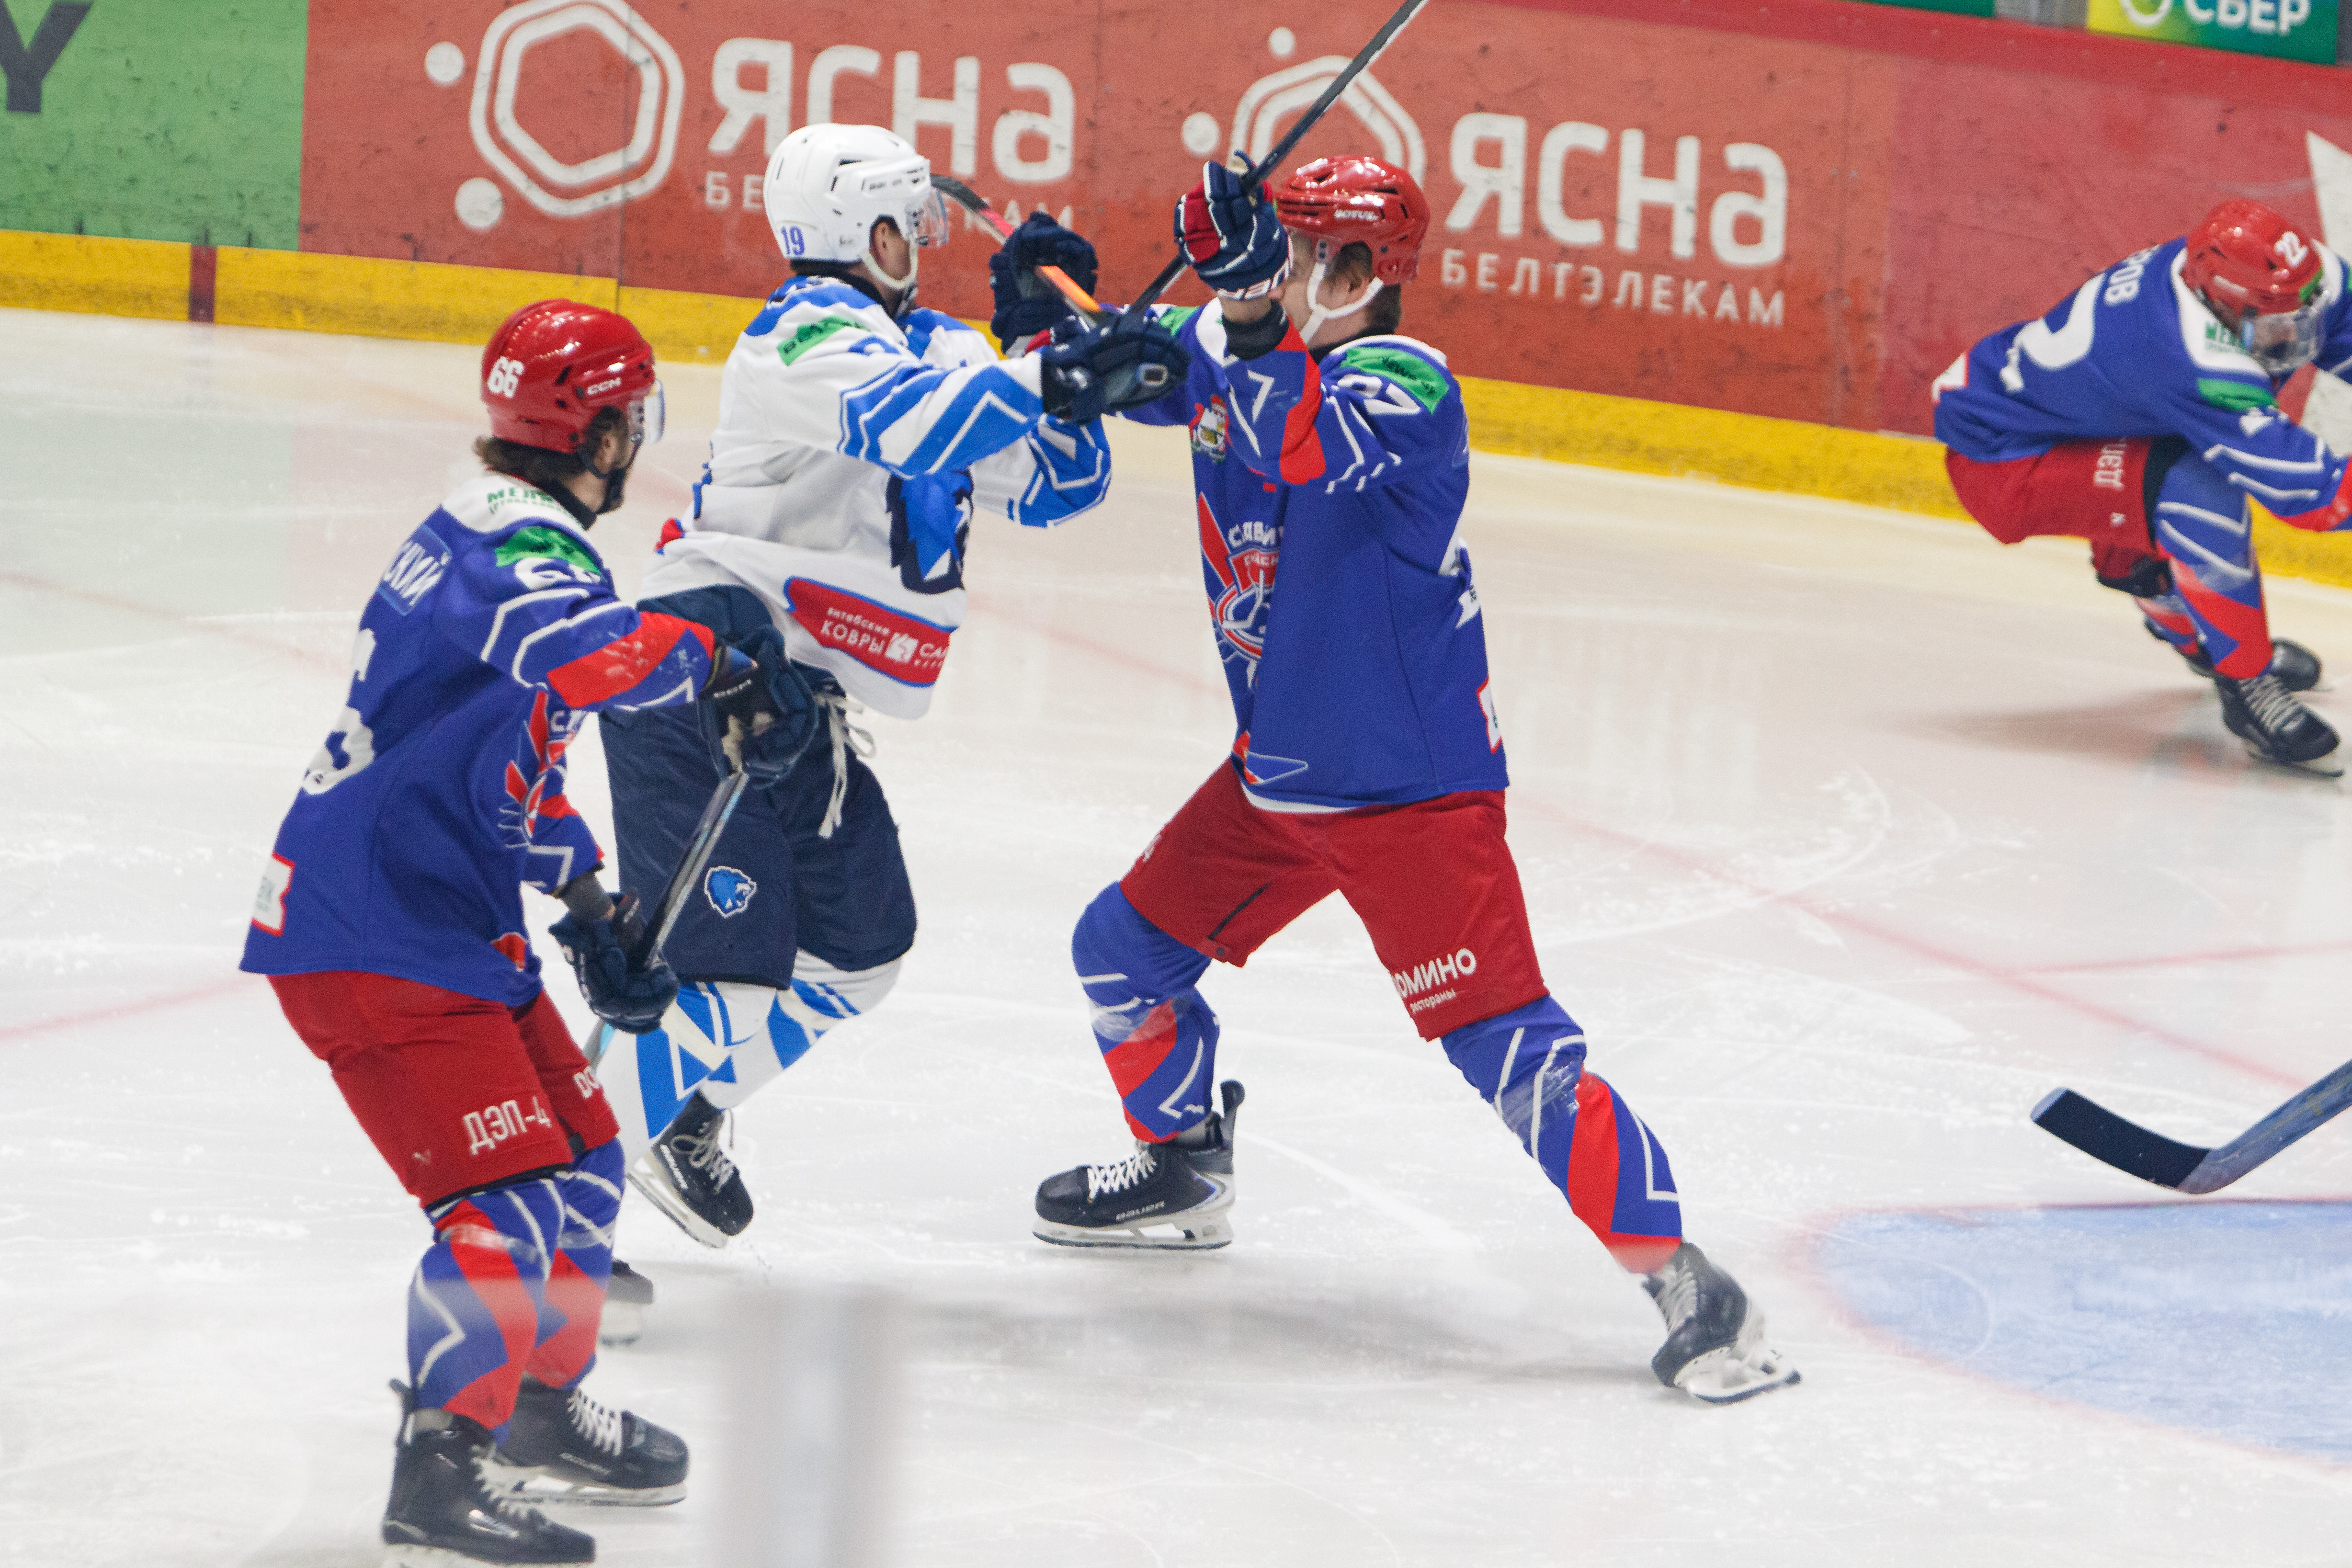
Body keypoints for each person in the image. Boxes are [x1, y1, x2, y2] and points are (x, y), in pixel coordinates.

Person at [1022, 154, 1799, 1406]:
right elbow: (1138, 362)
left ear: (1360, 272)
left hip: (1407, 792)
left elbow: (1292, 435)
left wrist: (1235, 306)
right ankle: (1183, 1166)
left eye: (1303, 252)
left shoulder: (1404, 384)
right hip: (1278, 776)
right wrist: (1051, 311)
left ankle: (1692, 1285)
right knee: (1119, 953)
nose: (1285, 269)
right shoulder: (1243, 344)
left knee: (1506, 1050)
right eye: (1276, 248)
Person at [240, 300, 806, 1563]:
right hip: (373, 930)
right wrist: (716, 658)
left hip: (440, 919)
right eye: (630, 419)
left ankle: (537, 1410)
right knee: (502, 1204)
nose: (636, 441)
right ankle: (439, 1469)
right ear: (594, 432)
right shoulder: (513, 543)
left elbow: (511, 770)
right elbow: (589, 653)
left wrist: (591, 905)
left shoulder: (503, 532)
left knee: (586, 1158)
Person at [594, 122, 1186, 1245]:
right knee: (722, 979)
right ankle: (543, 1218)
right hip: (707, 673)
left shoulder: (946, 351)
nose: (918, 237)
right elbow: (912, 425)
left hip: (798, 702)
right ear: (861, 229)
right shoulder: (801, 336)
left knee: (859, 952)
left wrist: (1047, 335)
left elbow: (1060, 483)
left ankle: (681, 1121)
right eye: (902, 220)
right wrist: (1052, 370)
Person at [1934, 198, 2352, 771]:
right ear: (2218, 302)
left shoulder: (2290, 281)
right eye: (2278, 326)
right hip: (2006, 460)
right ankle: (2246, 687)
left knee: (2176, 473)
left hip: (2085, 423)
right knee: (2198, 489)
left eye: (2306, 316)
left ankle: (2199, 632)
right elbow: (2312, 495)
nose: (2297, 339)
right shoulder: (2189, 355)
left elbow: (2341, 324)